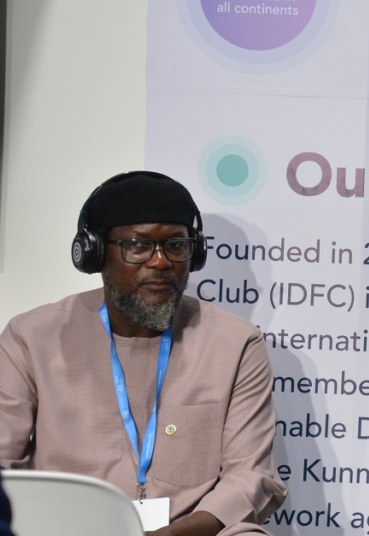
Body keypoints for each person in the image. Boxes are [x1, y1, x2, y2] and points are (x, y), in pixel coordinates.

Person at [0, 171, 286, 536]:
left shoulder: (237, 342)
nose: (161, 262)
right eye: (138, 245)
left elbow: (250, 474)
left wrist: (175, 534)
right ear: (95, 254)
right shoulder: (31, 337)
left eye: (176, 245)